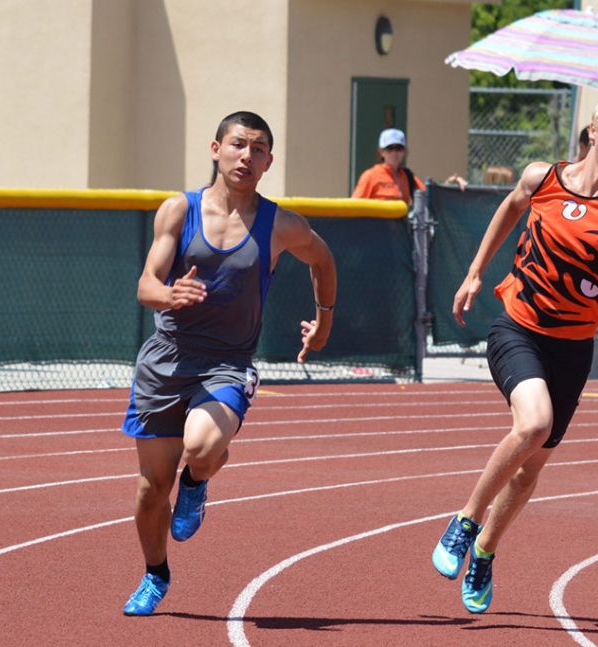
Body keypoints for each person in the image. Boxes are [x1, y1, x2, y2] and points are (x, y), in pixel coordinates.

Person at [430, 85, 598, 614]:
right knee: (531, 425)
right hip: (519, 327)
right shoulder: (542, 177)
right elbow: (510, 209)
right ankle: (465, 522)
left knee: (529, 470)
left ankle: (485, 551)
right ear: (595, 131)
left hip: (574, 348)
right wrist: (473, 274)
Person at [120, 111, 337, 616]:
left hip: (227, 363)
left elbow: (323, 261)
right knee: (152, 490)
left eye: (258, 149)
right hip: (166, 362)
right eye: (238, 144)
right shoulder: (179, 210)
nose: (247, 155)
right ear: (215, 149)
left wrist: (323, 322)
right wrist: (168, 294)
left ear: (268, 162)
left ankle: (196, 483)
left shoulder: (280, 224)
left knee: (201, 446)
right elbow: (146, 285)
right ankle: (156, 574)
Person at [352, 128, 466, 204]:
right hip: (376, 232)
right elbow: (354, 206)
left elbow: (430, 196)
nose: (394, 153)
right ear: (381, 152)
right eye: (390, 148)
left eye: (399, 148)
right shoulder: (370, 176)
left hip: (399, 235)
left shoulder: (407, 176)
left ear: (404, 151)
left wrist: (450, 182)